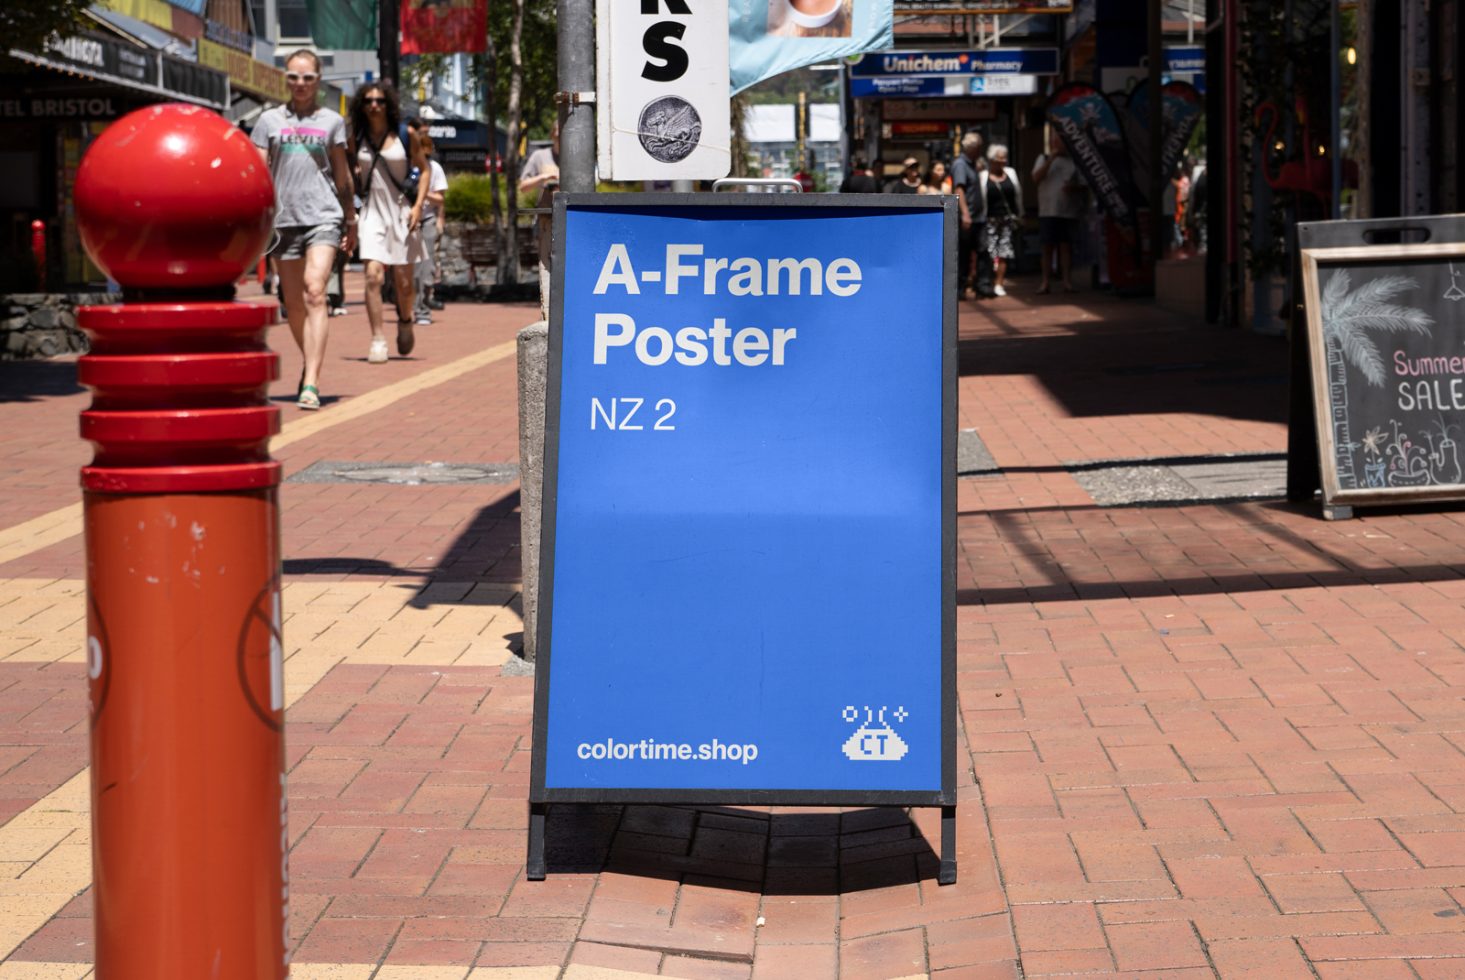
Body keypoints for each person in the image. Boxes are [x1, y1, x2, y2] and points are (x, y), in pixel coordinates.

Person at [251, 49, 357, 410]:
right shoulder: (267, 121)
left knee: (315, 291)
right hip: (284, 221)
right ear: (285, 77)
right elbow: (257, 172)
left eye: (308, 77)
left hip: (323, 215)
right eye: (294, 77)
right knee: (292, 304)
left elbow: (342, 175)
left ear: (318, 79)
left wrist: (350, 218)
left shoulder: (332, 121)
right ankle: (309, 362)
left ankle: (311, 381)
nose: (300, 84)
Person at [349, 80, 429, 363]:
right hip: (371, 212)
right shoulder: (356, 135)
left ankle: (405, 319)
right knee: (372, 275)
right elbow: (348, 174)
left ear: (388, 105)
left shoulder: (406, 134)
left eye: (380, 101)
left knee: (404, 283)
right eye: (369, 100)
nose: (374, 105)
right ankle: (377, 338)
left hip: (402, 212)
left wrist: (418, 206)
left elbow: (425, 169)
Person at [1032, 131, 1083, 294]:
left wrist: (1073, 188)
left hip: (1068, 210)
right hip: (1048, 210)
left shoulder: (1074, 161)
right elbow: (1036, 178)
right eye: (1057, 141)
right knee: (1047, 247)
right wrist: (1051, 158)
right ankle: (1045, 281)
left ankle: (1067, 281)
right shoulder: (1043, 158)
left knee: (1066, 247)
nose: (1060, 144)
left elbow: (1084, 185)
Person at [411, 135, 449, 326]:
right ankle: (406, 307)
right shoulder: (405, 167)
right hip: (404, 221)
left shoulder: (435, 169)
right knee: (407, 271)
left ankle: (422, 309)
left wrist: (422, 192)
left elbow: (441, 199)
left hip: (427, 219)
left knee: (426, 267)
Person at [951, 132, 993, 299]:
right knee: (964, 254)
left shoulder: (974, 164)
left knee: (983, 251)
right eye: (978, 148)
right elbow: (959, 189)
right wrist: (965, 214)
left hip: (979, 217)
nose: (980, 151)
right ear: (971, 148)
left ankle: (982, 285)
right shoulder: (961, 164)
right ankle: (960, 289)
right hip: (968, 218)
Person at [979, 143, 1022, 297]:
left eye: (1004, 159)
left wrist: (1020, 213)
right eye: (999, 159)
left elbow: (1018, 194)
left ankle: (999, 283)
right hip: (988, 219)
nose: (1002, 162)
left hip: (1007, 219)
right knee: (989, 251)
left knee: (1004, 251)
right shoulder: (983, 176)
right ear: (991, 160)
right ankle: (987, 281)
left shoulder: (1011, 172)